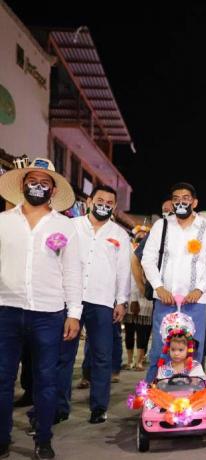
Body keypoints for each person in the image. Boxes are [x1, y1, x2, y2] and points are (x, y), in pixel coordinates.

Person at [0, 157, 82, 459]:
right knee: (2, 378)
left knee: (46, 380)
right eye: (32, 181)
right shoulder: (3, 222)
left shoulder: (64, 226)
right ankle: (2, 438)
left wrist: (74, 313)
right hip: (6, 310)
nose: (38, 186)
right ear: (23, 185)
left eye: (44, 182)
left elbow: (73, 271)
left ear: (53, 188)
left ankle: (43, 438)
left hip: (49, 314)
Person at [54, 185, 131, 425]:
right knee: (63, 356)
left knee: (102, 356)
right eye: (100, 200)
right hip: (70, 300)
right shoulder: (71, 227)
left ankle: (99, 407)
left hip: (103, 301)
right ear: (89, 201)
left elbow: (123, 271)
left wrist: (122, 300)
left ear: (114, 207)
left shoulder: (119, 234)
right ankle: (59, 407)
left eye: (109, 203)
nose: (104, 205)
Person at [142, 183, 206, 382]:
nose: (181, 202)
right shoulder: (162, 225)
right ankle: (153, 399)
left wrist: (199, 288)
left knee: (194, 352)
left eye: (185, 198)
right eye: (176, 198)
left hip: (195, 303)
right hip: (165, 301)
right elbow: (147, 258)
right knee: (160, 351)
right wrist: (159, 287)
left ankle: (194, 400)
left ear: (194, 202)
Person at [124, 226, 154, 371]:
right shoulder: (130, 254)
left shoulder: (151, 255)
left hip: (146, 299)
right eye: (139, 237)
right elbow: (128, 277)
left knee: (143, 332)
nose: (141, 238)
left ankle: (139, 361)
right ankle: (129, 360)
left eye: (144, 236)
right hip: (130, 297)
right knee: (129, 332)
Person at [155, 311, 206, 382]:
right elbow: (160, 386)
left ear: (188, 349)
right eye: (173, 349)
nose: (176, 353)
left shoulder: (195, 367)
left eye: (181, 350)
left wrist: (194, 381)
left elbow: (200, 385)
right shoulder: (164, 370)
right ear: (168, 349)